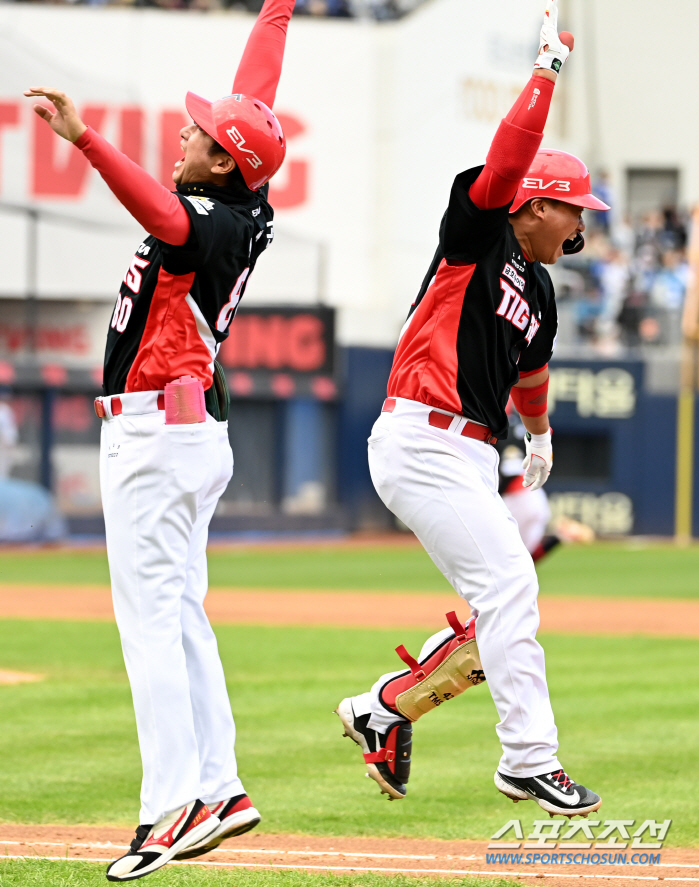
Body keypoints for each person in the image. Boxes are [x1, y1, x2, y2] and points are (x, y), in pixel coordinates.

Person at [25, 0, 294, 879]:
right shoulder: (241, 194)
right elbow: (254, 95)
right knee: (179, 614)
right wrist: (277, 10)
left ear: (221, 163)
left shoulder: (209, 221)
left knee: (149, 623)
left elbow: (168, 212)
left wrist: (87, 140)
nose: (184, 136)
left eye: (196, 135)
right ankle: (220, 787)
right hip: (183, 433)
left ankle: (169, 806)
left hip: (154, 435)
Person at [335, 0, 609, 819]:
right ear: (533, 205)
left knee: (499, 608)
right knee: (511, 592)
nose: (579, 223)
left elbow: (532, 369)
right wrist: (545, 73)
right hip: (419, 436)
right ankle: (529, 758)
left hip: (469, 451)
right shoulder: (478, 235)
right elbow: (509, 154)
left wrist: (543, 431)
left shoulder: (542, 289)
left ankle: (384, 708)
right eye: (572, 208)